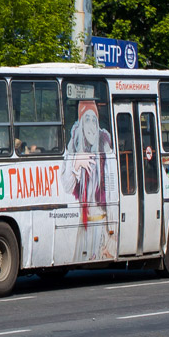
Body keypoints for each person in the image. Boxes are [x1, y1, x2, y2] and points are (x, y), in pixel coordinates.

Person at [57, 100, 117, 262]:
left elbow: (112, 195)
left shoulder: (106, 152)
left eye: (94, 120)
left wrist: (112, 238)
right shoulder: (75, 150)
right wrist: (76, 165)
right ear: (81, 125)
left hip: (102, 227)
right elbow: (67, 186)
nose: (91, 125)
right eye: (87, 120)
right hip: (83, 228)